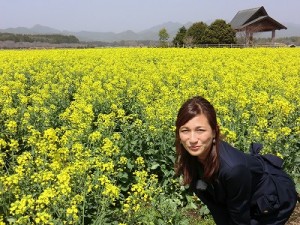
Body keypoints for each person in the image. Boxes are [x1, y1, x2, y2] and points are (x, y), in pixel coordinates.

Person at [175, 96, 297, 225]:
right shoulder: (189, 157)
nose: (192, 139)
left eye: (200, 130)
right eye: (185, 130)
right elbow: (214, 206)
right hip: (242, 199)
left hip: (272, 200)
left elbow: (239, 217)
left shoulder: (232, 169)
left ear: (214, 131)